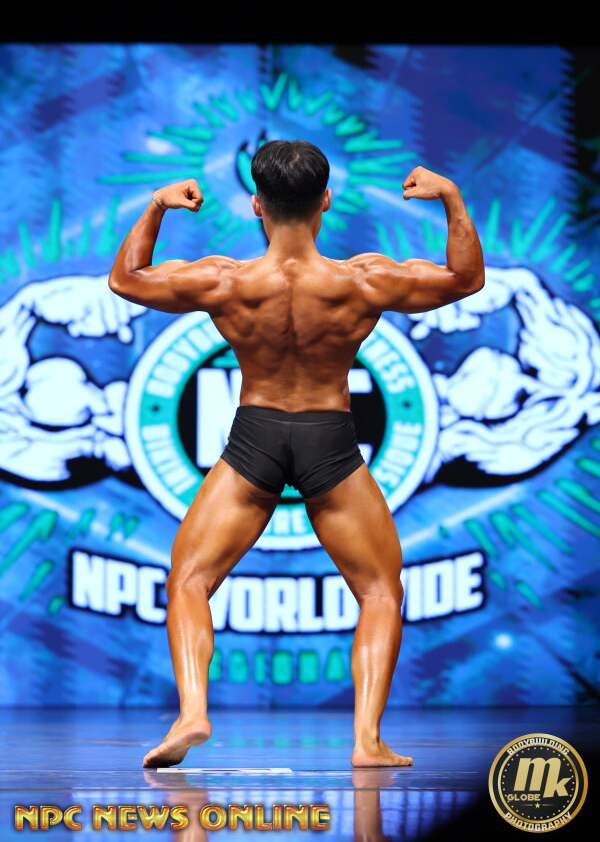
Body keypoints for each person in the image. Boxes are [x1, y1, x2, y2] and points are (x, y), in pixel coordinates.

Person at [108, 140, 484, 768]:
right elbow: (465, 278)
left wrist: (157, 206)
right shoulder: (363, 280)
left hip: (254, 436)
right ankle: (366, 741)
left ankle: (193, 711)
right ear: (326, 201)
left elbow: (126, 279)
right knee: (379, 590)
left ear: (256, 204)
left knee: (190, 579)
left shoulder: (225, 281)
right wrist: (451, 197)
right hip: (328, 439)